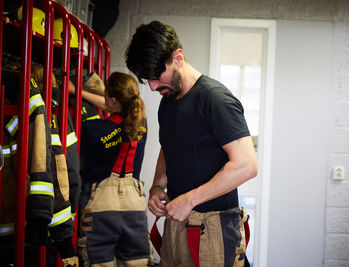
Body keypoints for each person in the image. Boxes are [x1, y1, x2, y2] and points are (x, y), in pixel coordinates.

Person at [126, 20, 258, 267]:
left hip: (214, 231)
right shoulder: (168, 102)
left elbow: (247, 165)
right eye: (148, 80)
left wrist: (188, 200)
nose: (153, 87)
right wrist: (157, 186)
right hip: (177, 227)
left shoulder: (215, 99)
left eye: (156, 77)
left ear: (178, 58)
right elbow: (169, 147)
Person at [76, 72, 152, 266]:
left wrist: (76, 92)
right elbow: (117, 109)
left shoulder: (92, 129)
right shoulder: (141, 123)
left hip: (100, 207)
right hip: (134, 207)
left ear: (112, 99)